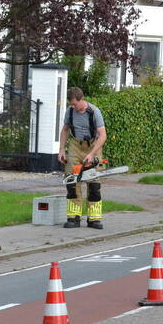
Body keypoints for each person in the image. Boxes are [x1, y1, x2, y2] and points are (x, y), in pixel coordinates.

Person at [58, 86, 108, 229]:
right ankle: (73, 218)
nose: (73, 106)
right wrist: (61, 149)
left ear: (81, 99)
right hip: (75, 145)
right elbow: (65, 130)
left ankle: (94, 219)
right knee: (72, 182)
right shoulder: (70, 111)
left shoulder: (94, 112)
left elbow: (103, 135)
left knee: (94, 184)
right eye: (71, 104)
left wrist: (92, 154)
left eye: (74, 104)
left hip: (93, 145)